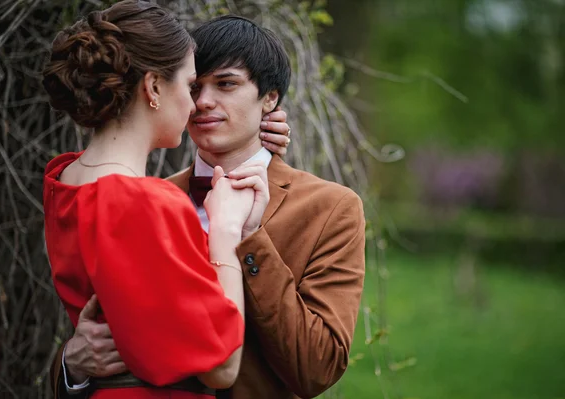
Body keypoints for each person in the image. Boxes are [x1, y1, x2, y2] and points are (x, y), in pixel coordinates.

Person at [50, 14, 366, 399]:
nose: (202, 102)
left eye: (226, 84)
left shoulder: (329, 208)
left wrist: (250, 238)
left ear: (270, 99)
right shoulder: (141, 197)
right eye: (194, 85)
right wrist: (71, 366)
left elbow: (317, 368)